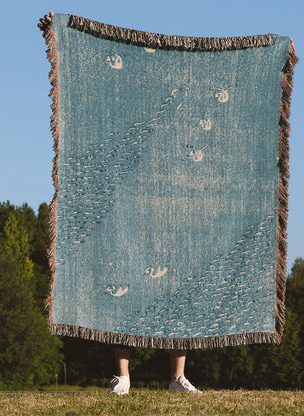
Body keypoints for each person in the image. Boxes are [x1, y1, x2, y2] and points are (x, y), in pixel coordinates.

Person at [38, 12, 201, 395]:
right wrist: (56, 27)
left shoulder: (173, 124)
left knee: (177, 298)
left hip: (168, 214)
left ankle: (177, 377)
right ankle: (123, 376)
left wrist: (278, 55)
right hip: (127, 214)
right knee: (122, 293)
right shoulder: (127, 123)